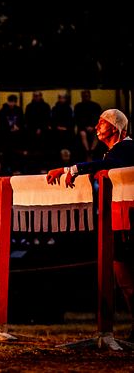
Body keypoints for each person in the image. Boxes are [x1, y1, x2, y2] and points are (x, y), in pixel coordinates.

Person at [46, 109, 134, 341]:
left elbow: (113, 164)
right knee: (123, 277)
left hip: (129, 221)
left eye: (101, 123)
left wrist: (71, 169)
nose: (96, 127)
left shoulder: (126, 148)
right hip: (122, 220)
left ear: (115, 129)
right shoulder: (114, 153)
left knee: (126, 275)